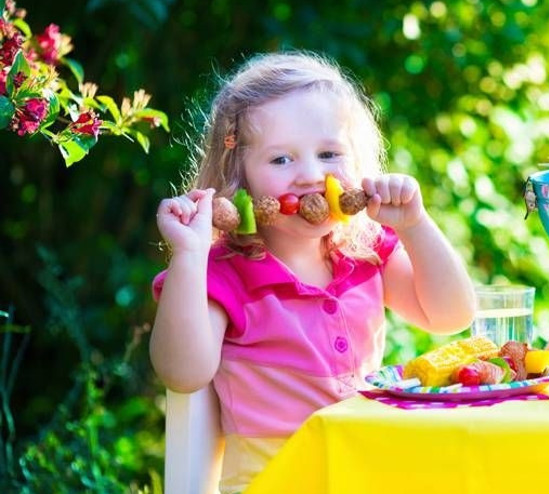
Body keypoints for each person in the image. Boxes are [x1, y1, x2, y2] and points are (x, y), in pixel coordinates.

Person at [150, 51, 475, 493]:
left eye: (328, 153)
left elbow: (451, 315)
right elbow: (182, 372)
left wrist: (415, 225)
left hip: (362, 475)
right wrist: (189, 255)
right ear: (239, 177)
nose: (310, 176)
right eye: (281, 160)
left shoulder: (367, 251)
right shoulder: (224, 274)